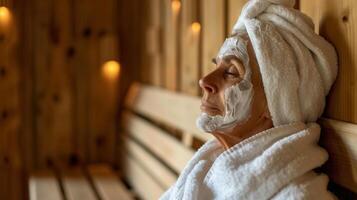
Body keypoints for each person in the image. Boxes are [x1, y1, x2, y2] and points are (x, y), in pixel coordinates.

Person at [160, 0, 338, 199]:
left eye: (230, 72)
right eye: (216, 66)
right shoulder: (206, 166)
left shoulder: (301, 196)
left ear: (275, 104)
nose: (204, 81)